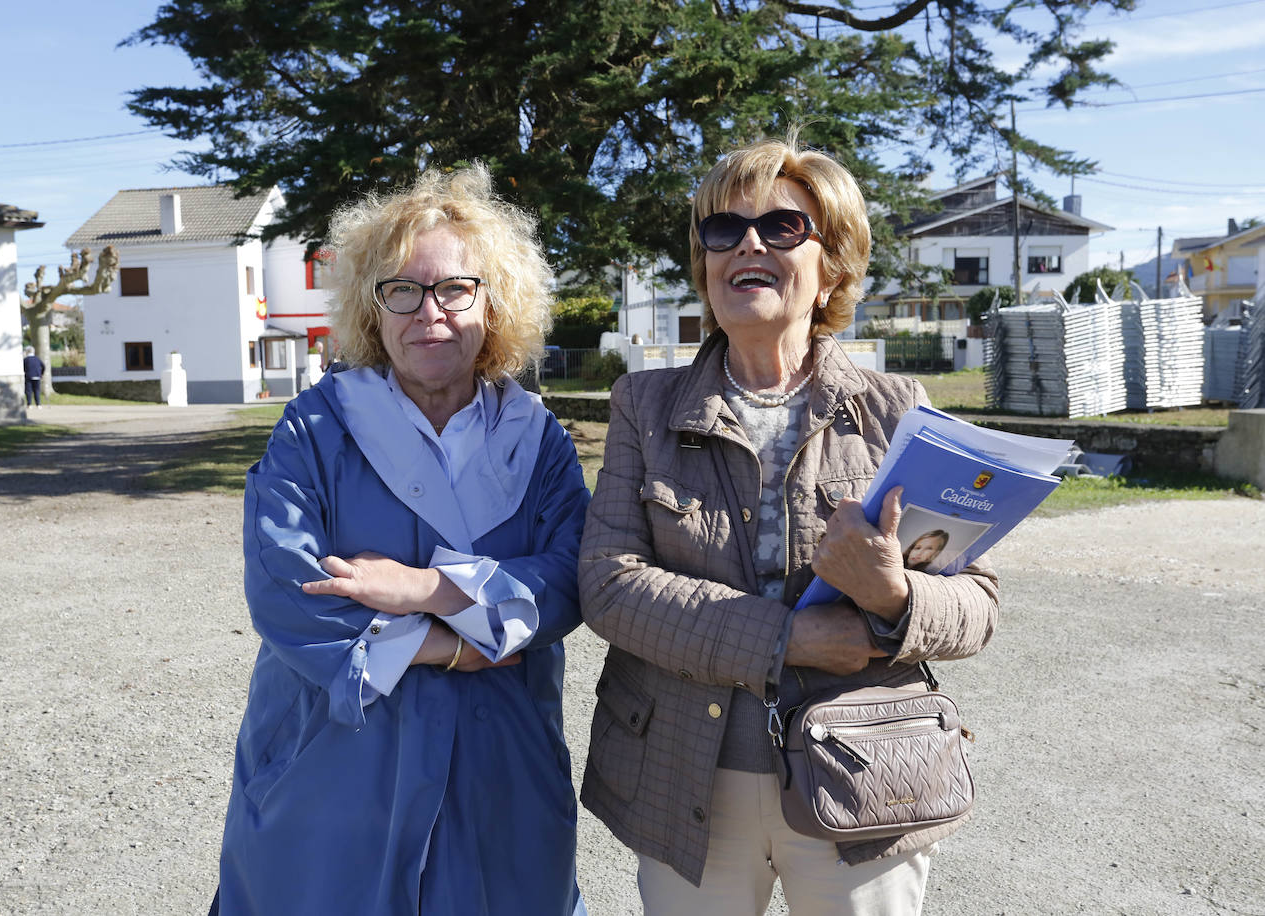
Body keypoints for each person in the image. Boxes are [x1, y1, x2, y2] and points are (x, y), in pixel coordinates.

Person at [578, 133, 999, 915]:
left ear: (831, 266)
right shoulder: (644, 405)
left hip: (863, 776)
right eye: (723, 229)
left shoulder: (898, 411)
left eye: (781, 227)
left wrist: (894, 595)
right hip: (683, 777)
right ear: (706, 265)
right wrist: (786, 639)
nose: (748, 245)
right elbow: (608, 585)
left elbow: (977, 604)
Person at [212, 165, 590, 916]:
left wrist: (424, 589)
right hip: (335, 762)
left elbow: (569, 576)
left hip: (500, 759)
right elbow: (288, 584)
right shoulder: (317, 428)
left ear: (494, 302)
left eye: (455, 289)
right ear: (371, 306)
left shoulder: (536, 438)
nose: (429, 313)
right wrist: (449, 646)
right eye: (403, 291)